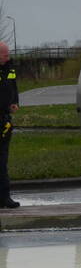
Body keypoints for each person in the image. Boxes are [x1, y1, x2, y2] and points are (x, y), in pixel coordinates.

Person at [0, 41, 19, 208]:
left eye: (8, 54)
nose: (8, 56)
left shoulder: (10, 68)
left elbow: (14, 87)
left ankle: (5, 197)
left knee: (3, 159)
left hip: (5, 119)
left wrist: (14, 102)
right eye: (4, 54)